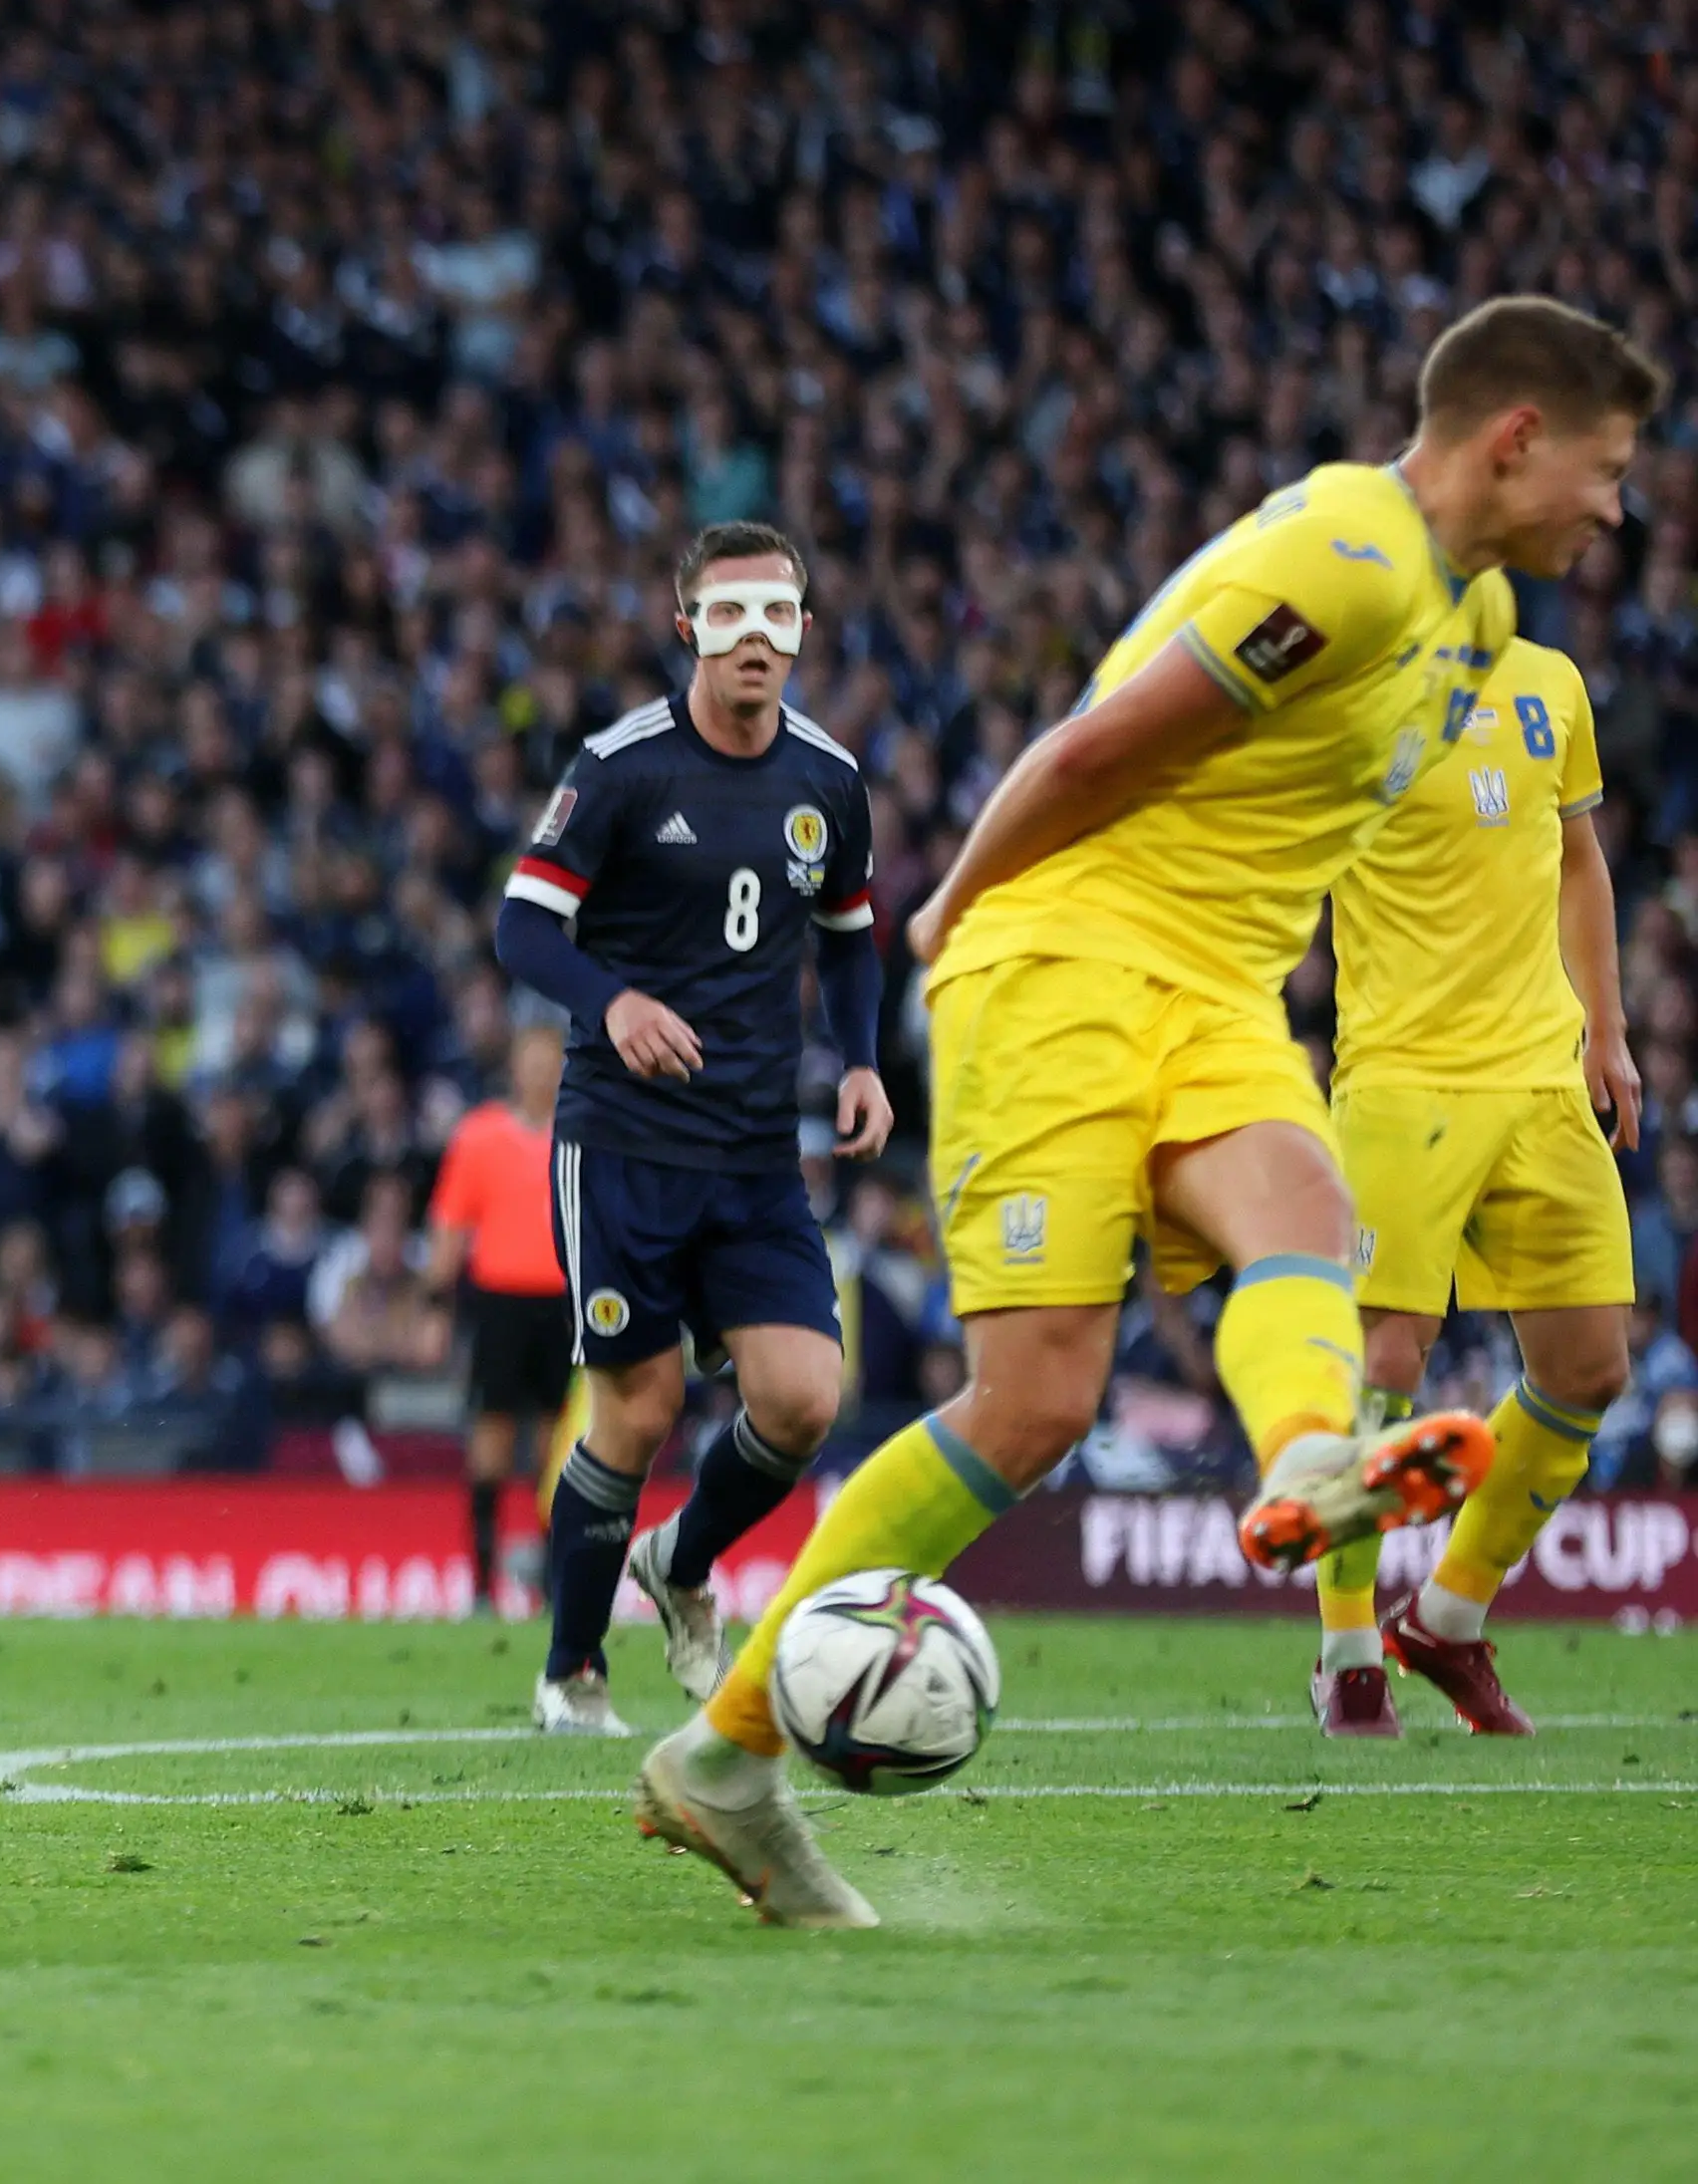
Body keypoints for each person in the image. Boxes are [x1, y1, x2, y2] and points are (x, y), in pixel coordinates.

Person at [640, 298, 1659, 1929]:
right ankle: (730, 1751)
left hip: (1217, 985)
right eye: (1605, 470)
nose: (1619, 507)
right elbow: (1099, 741)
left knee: (1303, 1220)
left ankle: (1316, 1461)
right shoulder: (1348, 555)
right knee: (1035, 1405)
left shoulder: (1475, 615)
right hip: (1057, 962)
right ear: (1513, 438)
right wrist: (950, 909)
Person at [493, 523, 889, 1738]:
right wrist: (611, 999)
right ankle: (572, 1671)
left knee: (803, 1398)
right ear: (689, 630)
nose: (756, 638)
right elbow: (522, 925)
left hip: (756, 1147)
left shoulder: (828, 779)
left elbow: (852, 930)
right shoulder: (620, 768)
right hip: (621, 1140)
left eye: (778, 614)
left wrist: (865, 1061)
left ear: (805, 630)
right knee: (640, 1405)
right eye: (730, 617)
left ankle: (680, 1560)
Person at [1308, 630, 1637, 1735]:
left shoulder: (1554, 678)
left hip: (1543, 1076)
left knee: (1590, 1365)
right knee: (1386, 1358)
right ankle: (1349, 1651)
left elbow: (1578, 854)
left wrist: (1609, 1028)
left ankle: (1446, 1617)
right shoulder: (1351, 680)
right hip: (1403, 1080)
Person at [422, 1021, 571, 1615]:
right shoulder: (479, 1137)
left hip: (564, 1308)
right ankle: (483, 1586)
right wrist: (437, 1306)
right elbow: (450, 1226)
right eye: (531, 1058)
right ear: (514, 1067)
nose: (541, 1071)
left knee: (556, 1450)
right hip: (500, 1304)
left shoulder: (584, 1137)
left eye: (551, 1059)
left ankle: (554, 1584)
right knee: (491, 1441)